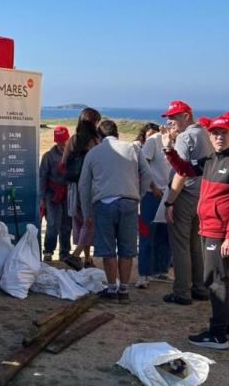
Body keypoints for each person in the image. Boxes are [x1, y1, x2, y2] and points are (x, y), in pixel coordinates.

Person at [165, 115, 229, 349]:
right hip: (210, 227)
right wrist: (169, 150)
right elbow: (185, 169)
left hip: (221, 230)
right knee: (223, 279)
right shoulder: (212, 159)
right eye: (214, 133)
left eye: (223, 132)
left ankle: (217, 334)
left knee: (215, 280)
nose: (218, 137)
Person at [79, 119, 156, 299]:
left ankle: (112, 288)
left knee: (108, 249)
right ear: (117, 134)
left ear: (99, 137)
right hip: (129, 202)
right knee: (127, 249)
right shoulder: (133, 148)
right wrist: (138, 194)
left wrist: (87, 213)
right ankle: (124, 289)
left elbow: (84, 186)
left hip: (104, 203)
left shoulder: (93, 153)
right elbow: (147, 175)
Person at [161, 99, 214, 305]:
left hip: (186, 195)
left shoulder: (186, 137)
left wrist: (169, 201)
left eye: (174, 116)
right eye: (169, 117)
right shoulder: (203, 133)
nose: (171, 121)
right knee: (195, 245)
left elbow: (181, 171)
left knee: (180, 246)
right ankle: (200, 287)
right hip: (203, 195)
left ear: (186, 116)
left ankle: (182, 291)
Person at [62, 107, 102, 269]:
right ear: (94, 122)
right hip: (90, 187)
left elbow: (63, 162)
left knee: (79, 222)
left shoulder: (74, 139)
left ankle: (87, 259)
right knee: (89, 222)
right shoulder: (96, 141)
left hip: (73, 186)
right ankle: (75, 255)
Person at [137, 123, 171, 287]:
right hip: (152, 195)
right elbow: (143, 167)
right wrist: (153, 187)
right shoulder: (153, 141)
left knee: (165, 235)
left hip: (170, 195)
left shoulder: (179, 141)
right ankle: (143, 273)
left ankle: (160, 270)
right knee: (147, 234)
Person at [39, 126, 72, 262]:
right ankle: (48, 251)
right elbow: (42, 178)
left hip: (68, 194)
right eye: (60, 141)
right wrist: (41, 199)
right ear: (56, 141)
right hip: (52, 195)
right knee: (52, 224)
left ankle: (64, 252)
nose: (63, 144)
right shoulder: (48, 156)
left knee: (67, 225)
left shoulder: (73, 154)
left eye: (65, 141)